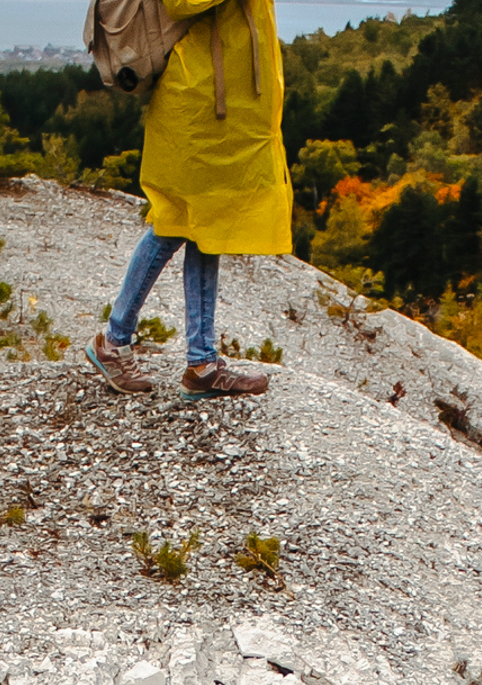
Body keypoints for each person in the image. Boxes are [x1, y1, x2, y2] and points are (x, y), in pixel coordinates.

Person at [86, 0, 291, 398]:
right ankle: (114, 341)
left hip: (223, 106)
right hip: (196, 104)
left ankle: (201, 362)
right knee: (173, 223)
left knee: (206, 226)